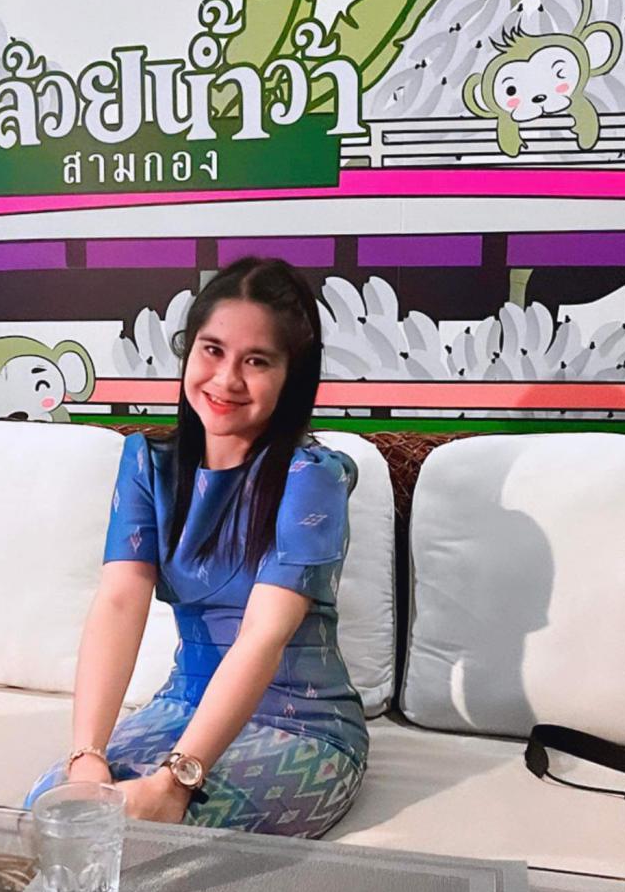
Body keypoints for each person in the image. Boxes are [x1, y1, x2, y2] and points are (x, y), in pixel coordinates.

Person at [25, 257, 369, 837]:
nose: (226, 379)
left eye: (256, 361)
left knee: (152, 835)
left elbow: (263, 635)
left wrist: (177, 782)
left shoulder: (311, 478)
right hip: (181, 705)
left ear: (291, 377)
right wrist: (87, 756)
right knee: (54, 810)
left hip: (304, 727)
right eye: (212, 350)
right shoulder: (149, 464)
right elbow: (119, 603)